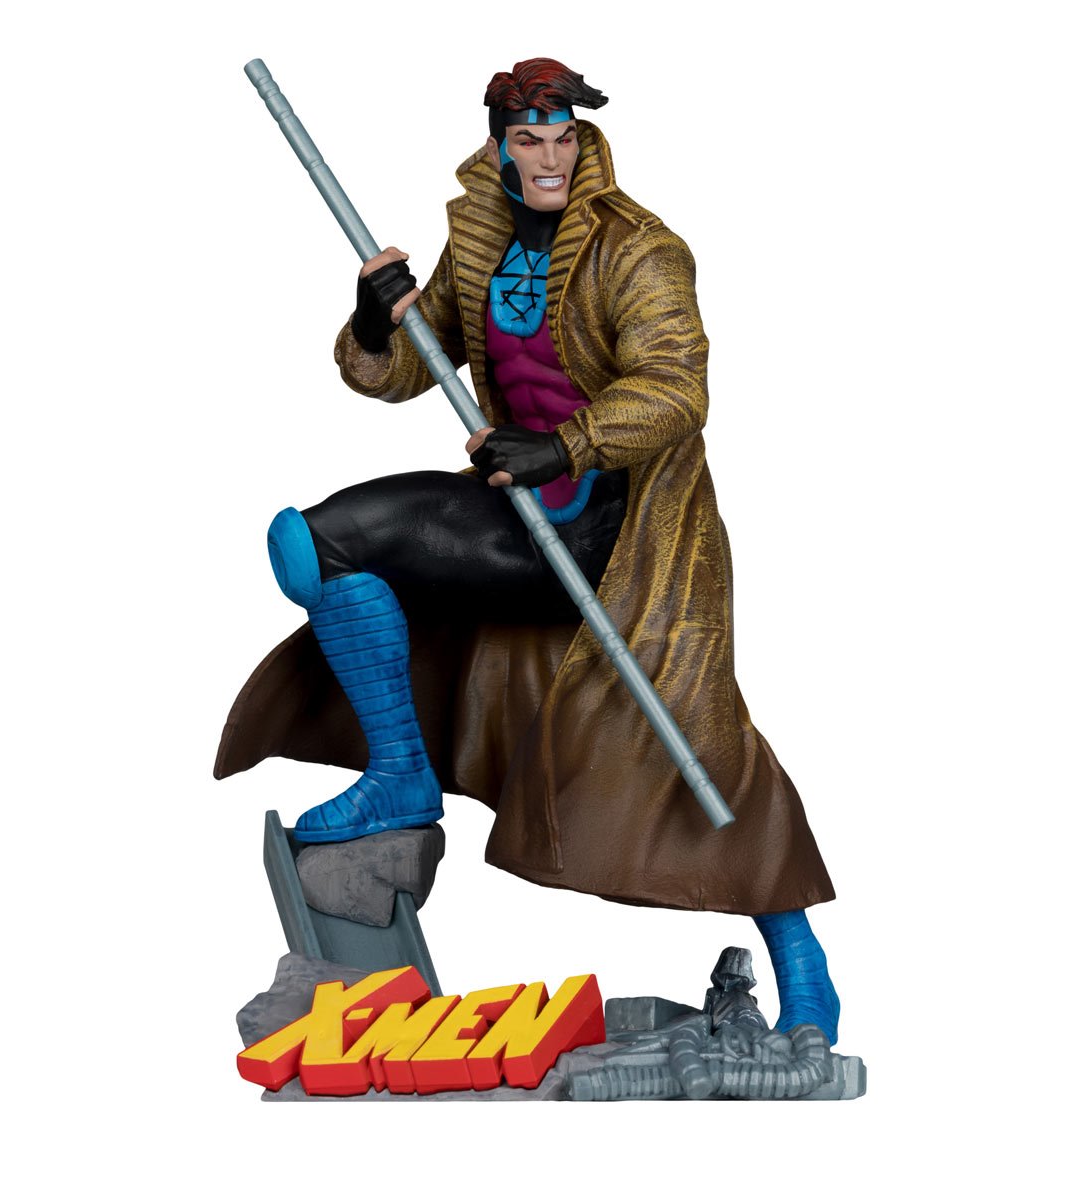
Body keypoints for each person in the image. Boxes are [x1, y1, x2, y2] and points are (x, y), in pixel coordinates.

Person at [217, 58, 841, 1043]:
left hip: (624, 533)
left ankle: (802, 965)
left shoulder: (639, 251)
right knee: (315, 545)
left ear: (581, 141)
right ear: (502, 148)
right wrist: (377, 319)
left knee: (702, 750)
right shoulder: (484, 238)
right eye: (529, 141)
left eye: (563, 138)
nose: (549, 158)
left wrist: (566, 444)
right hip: (514, 511)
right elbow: (405, 370)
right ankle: (400, 775)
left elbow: (677, 389)